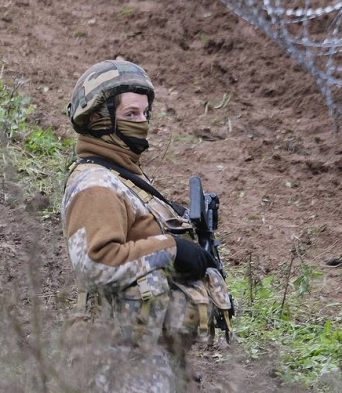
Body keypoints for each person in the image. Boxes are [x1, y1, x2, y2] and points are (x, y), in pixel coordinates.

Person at [60, 60, 231, 393]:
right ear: (98, 119)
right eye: (131, 115)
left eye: (144, 114)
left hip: (146, 356)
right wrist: (171, 249)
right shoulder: (96, 185)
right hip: (116, 364)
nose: (142, 123)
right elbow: (95, 261)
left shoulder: (124, 176)